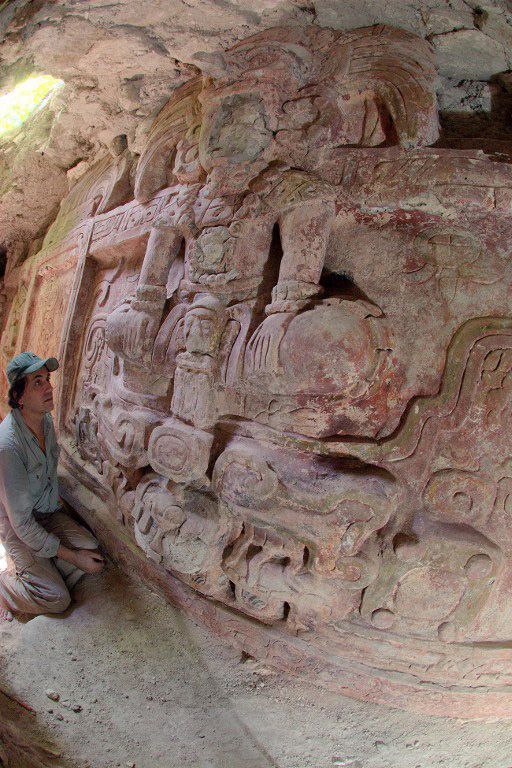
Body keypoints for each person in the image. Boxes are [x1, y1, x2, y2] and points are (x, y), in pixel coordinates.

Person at [0, 352, 104, 621]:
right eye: (37, 382)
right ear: (19, 397)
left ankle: (39, 571)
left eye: (47, 379)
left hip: (43, 513)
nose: (49, 386)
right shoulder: (8, 446)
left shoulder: (44, 420)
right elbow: (21, 524)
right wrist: (72, 557)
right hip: (17, 524)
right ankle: (7, 588)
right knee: (59, 599)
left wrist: (76, 554)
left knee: (91, 548)